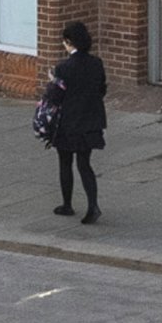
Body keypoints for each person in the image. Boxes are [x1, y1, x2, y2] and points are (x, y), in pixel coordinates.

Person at [48, 21, 108, 224]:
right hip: (91, 121)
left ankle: (67, 204)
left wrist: (53, 81)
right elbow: (101, 90)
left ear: (68, 42)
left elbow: (55, 97)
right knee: (85, 164)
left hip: (69, 123)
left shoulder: (63, 68)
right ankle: (93, 205)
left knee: (65, 163)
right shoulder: (96, 63)